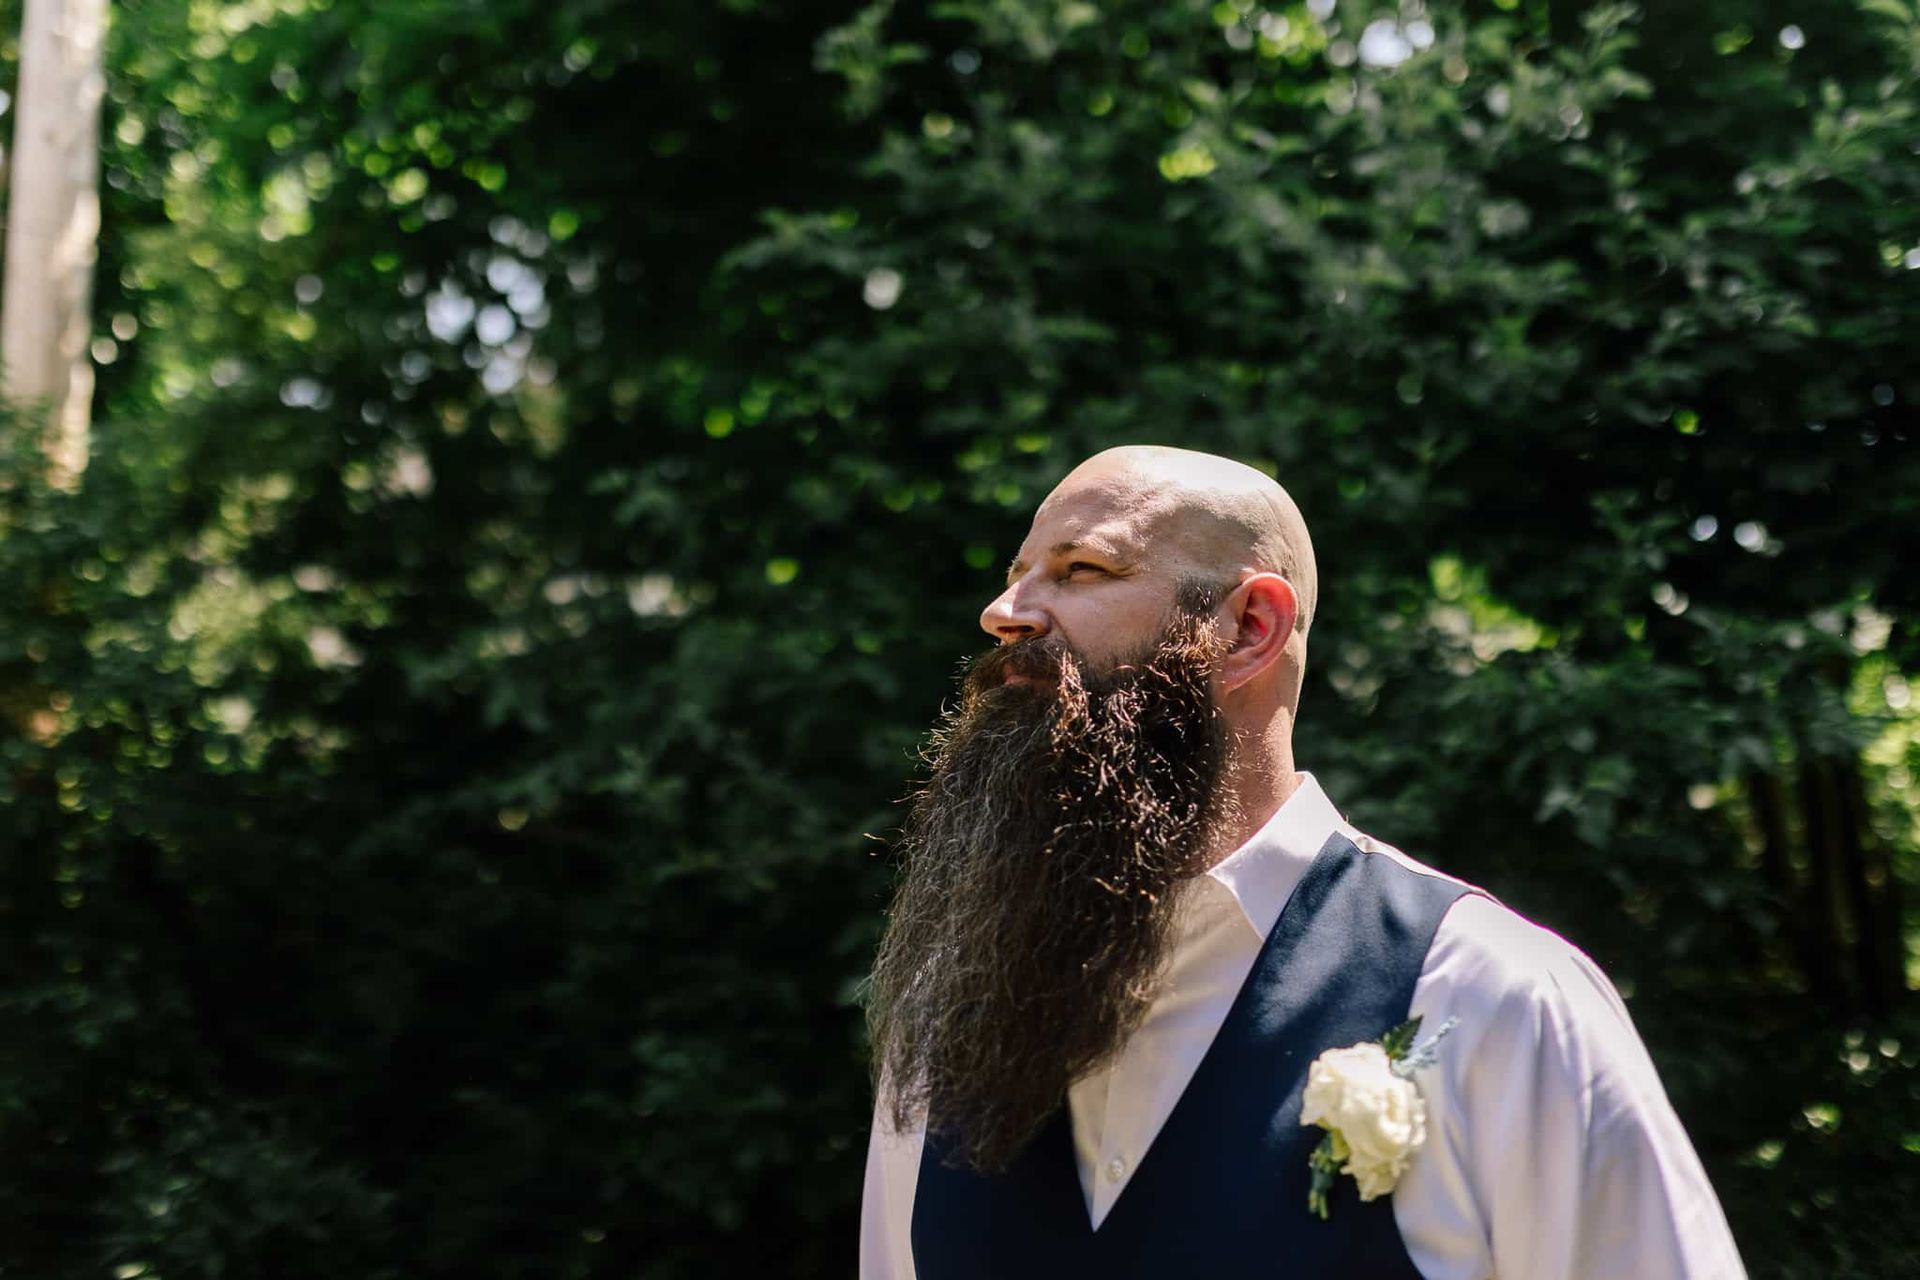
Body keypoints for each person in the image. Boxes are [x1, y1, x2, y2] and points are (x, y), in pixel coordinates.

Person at [859, 445, 1746, 1279]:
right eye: (1016, 576)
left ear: (1249, 628)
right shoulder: (946, 1025)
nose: (1004, 613)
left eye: (1081, 569)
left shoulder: (1493, 996)